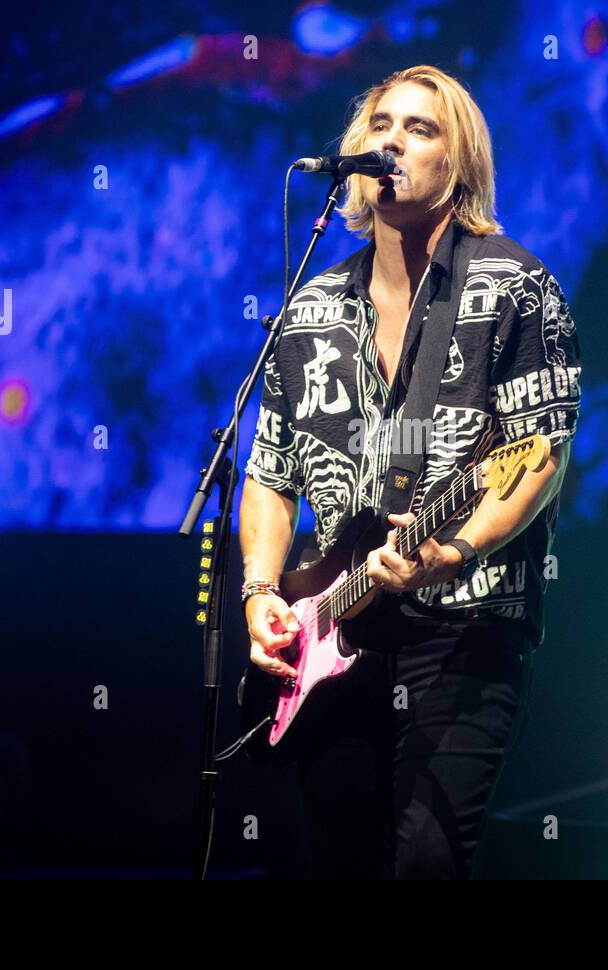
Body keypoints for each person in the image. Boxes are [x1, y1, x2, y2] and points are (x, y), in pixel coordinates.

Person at [239, 65, 582, 879]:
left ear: (458, 164)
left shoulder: (514, 288)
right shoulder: (311, 307)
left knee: (427, 863)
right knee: (339, 865)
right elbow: (268, 471)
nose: (392, 140)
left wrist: (454, 551)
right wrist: (260, 592)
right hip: (333, 634)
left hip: (464, 635)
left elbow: (538, 454)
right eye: (380, 125)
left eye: (420, 129)